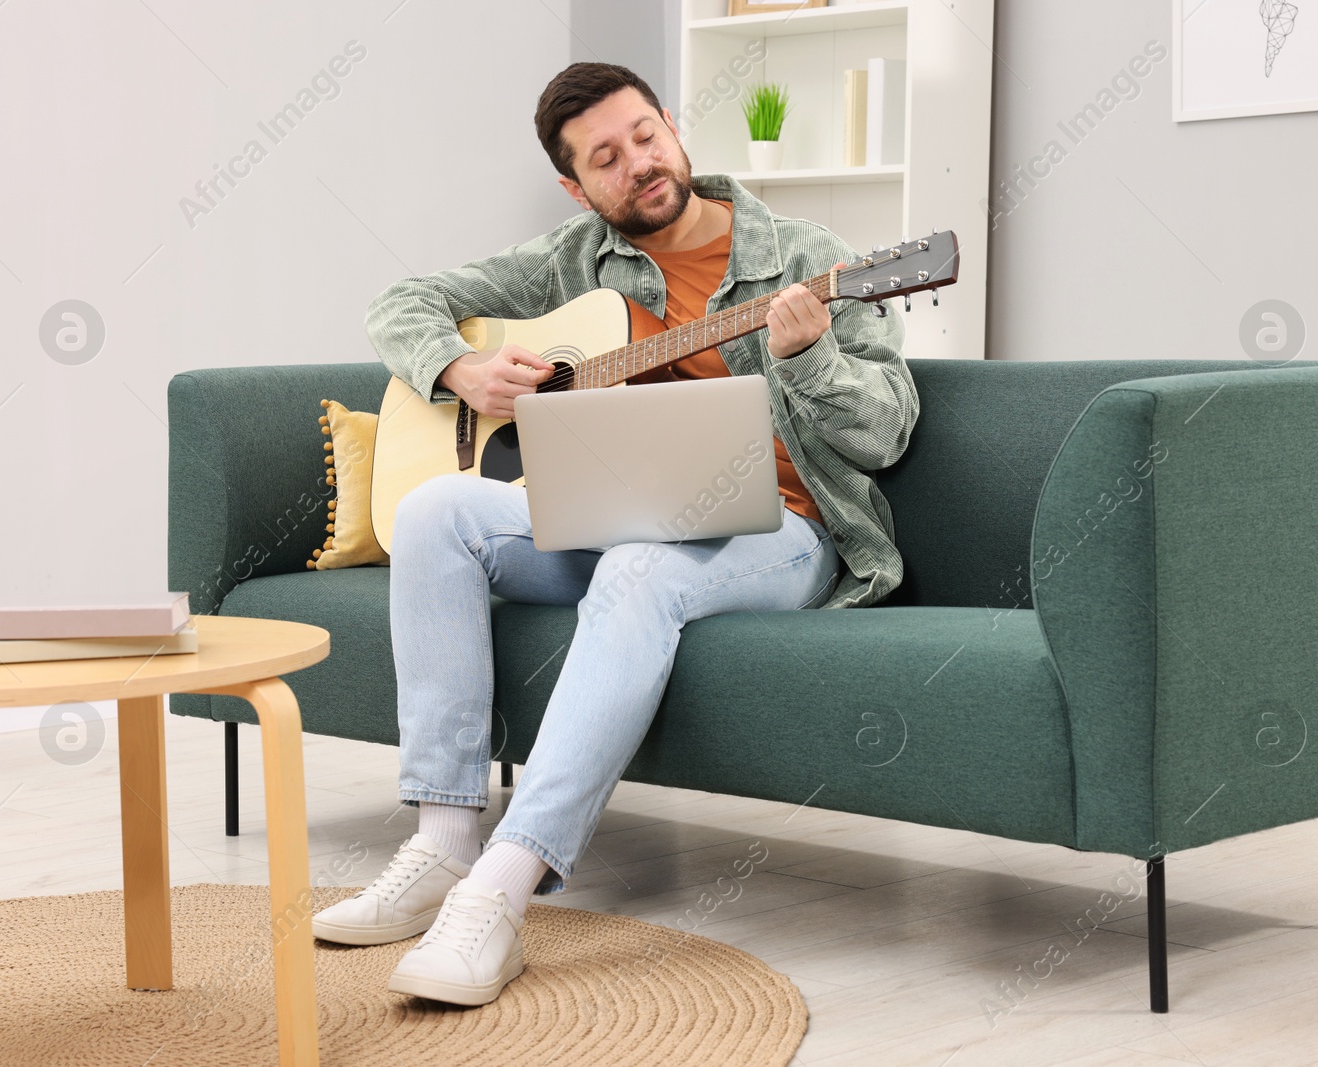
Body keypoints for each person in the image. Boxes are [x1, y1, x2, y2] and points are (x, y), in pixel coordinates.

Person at [316, 61, 918, 1006]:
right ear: (576, 185)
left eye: (645, 135)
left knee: (643, 564)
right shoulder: (571, 260)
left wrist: (804, 357)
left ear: (673, 127)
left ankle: (502, 892)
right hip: (617, 511)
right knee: (438, 512)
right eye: (606, 156)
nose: (638, 162)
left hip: (787, 529)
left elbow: (884, 432)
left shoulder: (806, 254)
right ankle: (441, 839)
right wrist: (462, 372)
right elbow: (399, 302)